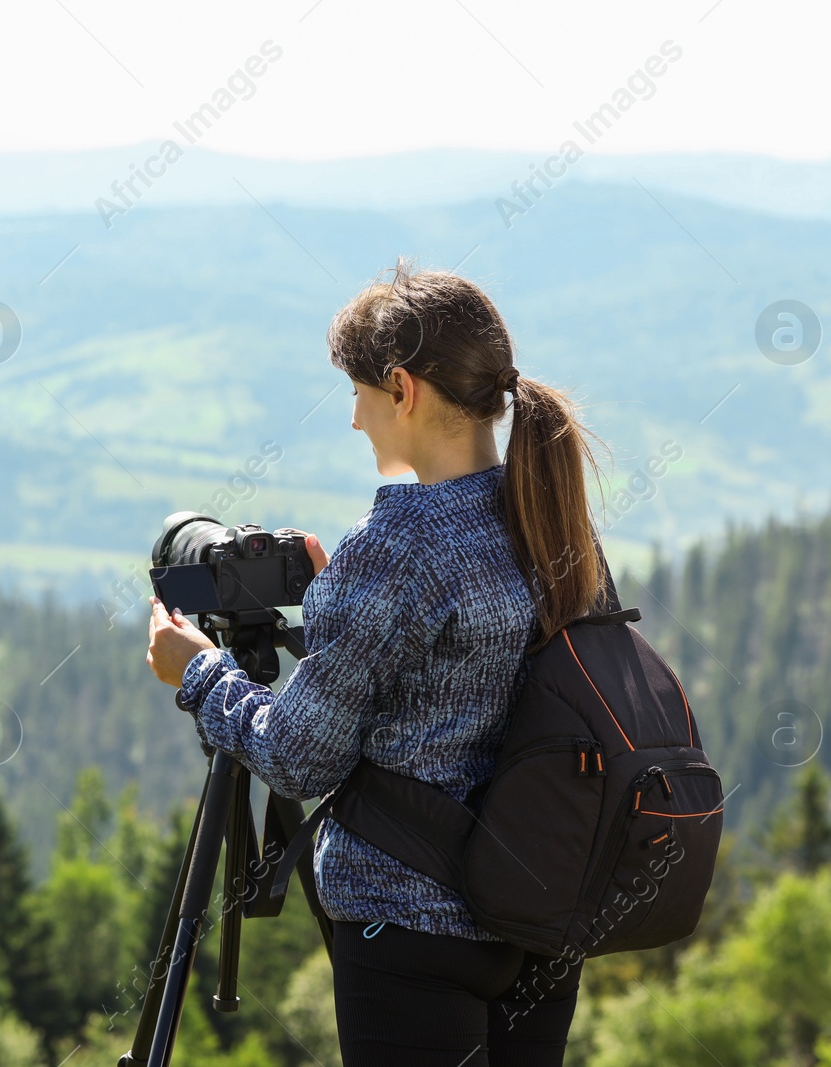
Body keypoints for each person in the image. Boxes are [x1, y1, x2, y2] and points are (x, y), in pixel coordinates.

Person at [145, 261, 606, 1067]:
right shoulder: (550, 516)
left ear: (403, 389)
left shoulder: (393, 548)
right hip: (535, 911)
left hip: (411, 926)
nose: (356, 421)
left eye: (358, 394)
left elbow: (297, 755)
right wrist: (347, 611)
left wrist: (199, 672)